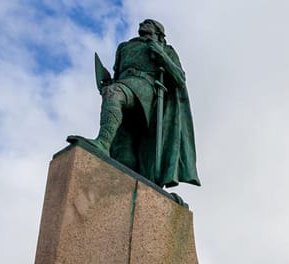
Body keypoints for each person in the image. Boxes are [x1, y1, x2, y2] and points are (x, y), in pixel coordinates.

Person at [72, 18, 200, 189]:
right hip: (124, 83)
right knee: (124, 155)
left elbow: (180, 78)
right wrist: (108, 82)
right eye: (142, 23)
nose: (142, 24)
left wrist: (161, 55)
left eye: (148, 23)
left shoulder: (166, 49)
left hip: (145, 87)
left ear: (159, 32)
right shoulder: (124, 47)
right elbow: (118, 74)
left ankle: (102, 142)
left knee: (114, 93)